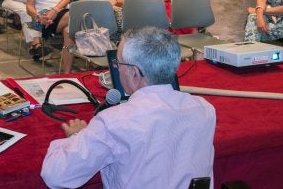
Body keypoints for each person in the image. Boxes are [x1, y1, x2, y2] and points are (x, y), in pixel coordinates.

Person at [41, 26, 216, 189]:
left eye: (118, 64)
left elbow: (55, 175)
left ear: (134, 73)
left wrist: (77, 136)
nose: (116, 69)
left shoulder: (114, 121)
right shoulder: (204, 109)